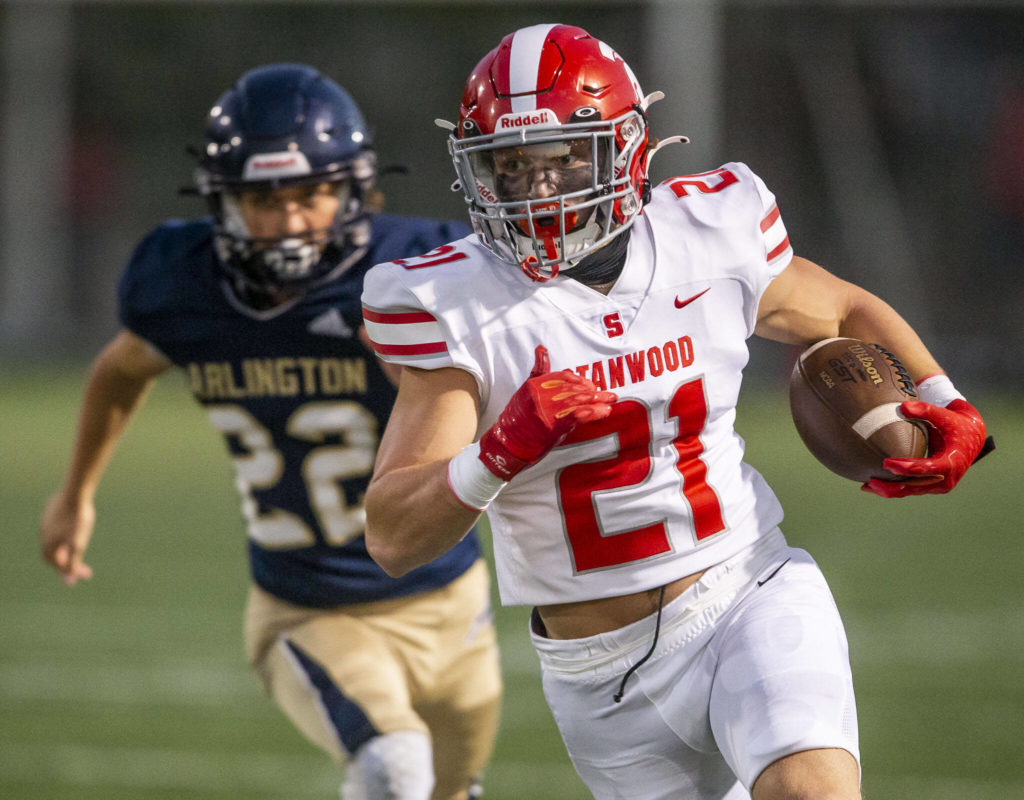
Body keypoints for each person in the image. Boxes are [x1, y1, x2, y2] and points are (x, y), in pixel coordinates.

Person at [359, 24, 992, 800]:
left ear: (625, 149)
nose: (537, 190)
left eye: (562, 161)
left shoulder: (708, 232)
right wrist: (498, 452)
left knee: (811, 790)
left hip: (745, 589)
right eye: (511, 167)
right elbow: (391, 536)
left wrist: (942, 399)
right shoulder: (455, 303)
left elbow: (840, 310)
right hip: (599, 677)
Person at [39, 63, 501, 800]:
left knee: (448, 791)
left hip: (452, 594)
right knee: (392, 770)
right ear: (223, 201)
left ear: (355, 190)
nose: (288, 221)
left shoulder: (416, 270)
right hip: (308, 608)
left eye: (312, 194)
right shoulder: (185, 282)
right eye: (262, 199)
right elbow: (121, 370)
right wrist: (76, 493)